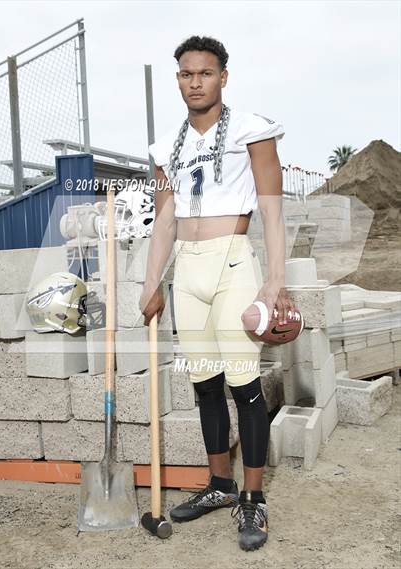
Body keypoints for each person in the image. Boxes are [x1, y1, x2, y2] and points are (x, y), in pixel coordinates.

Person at [139, 35, 296, 552]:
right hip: (187, 269)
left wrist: (274, 280)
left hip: (234, 263)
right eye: (186, 74)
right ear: (178, 79)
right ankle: (221, 486)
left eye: (204, 73)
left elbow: (272, 209)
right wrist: (151, 281)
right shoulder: (166, 148)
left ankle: (254, 497)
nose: (194, 82)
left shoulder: (252, 129)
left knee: (244, 384)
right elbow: (165, 220)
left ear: (222, 77)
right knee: (204, 383)